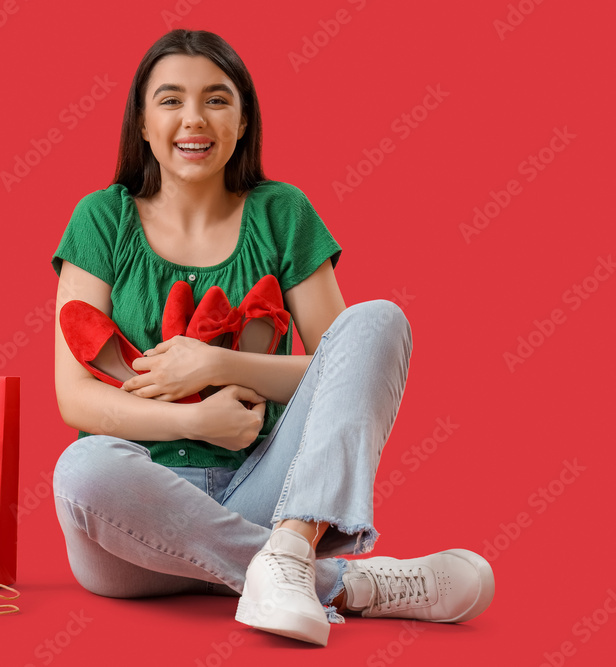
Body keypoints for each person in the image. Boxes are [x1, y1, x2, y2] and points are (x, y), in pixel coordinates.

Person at [49, 28, 493, 647]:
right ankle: (345, 584)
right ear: (143, 124)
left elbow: (337, 364)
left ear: (243, 119)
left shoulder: (282, 212)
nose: (194, 119)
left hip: (266, 488)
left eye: (217, 99)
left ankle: (287, 550)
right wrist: (196, 420)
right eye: (171, 100)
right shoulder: (102, 218)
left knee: (379, 318)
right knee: (82, 466)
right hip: (135, 526)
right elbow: (75, 399)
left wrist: (216, 364)